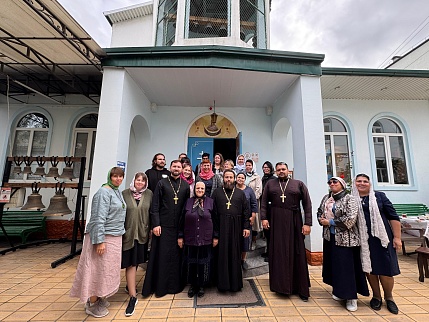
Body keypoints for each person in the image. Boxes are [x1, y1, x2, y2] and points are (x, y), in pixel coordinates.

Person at [70, 167, 126, 318]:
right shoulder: (103, 192)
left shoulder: (116, 191)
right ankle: (92, 303)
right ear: (110, 176)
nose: (118, 179)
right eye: (115, 176)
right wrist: (99, 241)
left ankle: (100, 297)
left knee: (106, 271)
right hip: (104, 237)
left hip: (114, 236)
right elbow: (98, 218)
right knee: (96, 270)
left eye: (121, 177)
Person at [260, 162, 312, 301]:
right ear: (275, 172)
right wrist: (264, 218)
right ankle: (280, 286)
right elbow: (264, 202)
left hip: (294, 220)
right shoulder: (271, 184)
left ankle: (299, 287)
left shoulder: (298, 184)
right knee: (278, 251)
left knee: (297, 251)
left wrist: (307, 223)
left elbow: (307, 203)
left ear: (288, 170)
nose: (281, 171)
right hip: (276, 220)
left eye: (283, 169)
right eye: (278, 170)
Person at [318, 176, 370, 312]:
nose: (332, 184)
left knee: (347, 268)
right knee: (335, 266)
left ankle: (351, 297)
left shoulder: (350, 199)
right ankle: (340, 292)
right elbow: (319, 211)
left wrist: (329, 222)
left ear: (342, 184)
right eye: (330, 182)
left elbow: (350, 219)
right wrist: (321, 219)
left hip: (346, 239)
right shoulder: (326, 198)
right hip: (330, 238)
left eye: (335, 182)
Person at [352, 173, 401, 314]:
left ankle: (389, 298)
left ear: (370, 183)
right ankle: (376, 296)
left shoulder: (379, 196)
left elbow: (393, 216)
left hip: (382, 238)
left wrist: (397, 238)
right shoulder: (352, 199)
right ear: (354, 183)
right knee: (369, 268)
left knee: (385, 269)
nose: (361, 183)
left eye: (365, 181)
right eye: (358, 181)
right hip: (363, 239)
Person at [142, 160, 190, 297]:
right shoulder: (161, 183)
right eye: (174, 166)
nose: (176, 168)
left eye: (179, 167)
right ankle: (160, 287)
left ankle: (175, 286)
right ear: (170, 168)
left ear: (182, 169)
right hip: (163, 227)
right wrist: (155, 224)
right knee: (161, 257)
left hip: (178, 227)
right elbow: (155, 206)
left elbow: (186, 208)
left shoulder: (185, 186)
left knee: (176, 257)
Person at [212, 170, 250, 292]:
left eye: (231, 177)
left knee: (234, 254)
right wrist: (215, 232)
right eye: (226, 177)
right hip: (221, 226)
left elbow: (246, 211)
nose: (228, 179)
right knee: (222, 255)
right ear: (223, 178)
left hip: (236, 227)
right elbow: (213, 212)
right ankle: (222, 284)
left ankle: (235, 284)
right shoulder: (217, 192)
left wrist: (246, 227)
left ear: (234, 179)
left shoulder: (240, 193)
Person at [178, 182, 218, 298]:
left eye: (202, 188)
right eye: (198, 188)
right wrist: (180, 236)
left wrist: (216, 236)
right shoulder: (188, 202)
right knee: (191, 263)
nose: (200, 190)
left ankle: (201, 285)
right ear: (194, 189)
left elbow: (215, 220)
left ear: (205, 190)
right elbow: (181, 219)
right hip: (190, 237)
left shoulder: (210, 202)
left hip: (205, 238)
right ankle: (193, 285)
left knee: (204, 263)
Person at [121, 172, 152, 316]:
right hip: (128, 234)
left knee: (137, 262)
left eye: (143, 181)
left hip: (142, 234)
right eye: (138, 180)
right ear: (134, 181)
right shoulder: (125, 194)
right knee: (131, 263)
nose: (140, 182)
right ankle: (133, 296)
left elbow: (152, 212)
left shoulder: (149, 194)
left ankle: (130, 285)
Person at [236, 172, 258, 269]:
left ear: (245, 180)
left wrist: (253, 217)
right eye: (238, 177)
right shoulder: (232, 188)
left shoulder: (249, 190)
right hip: (234, 219)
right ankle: (235, 259)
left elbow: (254, 204)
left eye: (242, 178)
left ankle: (243, 260)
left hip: (246, 219)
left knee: (245, 240)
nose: (240, 179)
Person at [244, 159, 262, 250]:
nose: (248, 167)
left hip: (253, 203)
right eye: (246, 165)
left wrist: (251, 199)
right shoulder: (242, 176)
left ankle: (253, 241)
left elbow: (258, 190)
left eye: (249, 165)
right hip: (243, 203)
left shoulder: (257, 177)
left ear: (253, 166)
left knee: (253, 223)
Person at [261, 161, 276, 261]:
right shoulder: (263, 179)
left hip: (272, 207)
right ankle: (268, 251)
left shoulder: (274, 179)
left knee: (271, 231)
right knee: (266, 231)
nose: (266, 169)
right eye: (264, 167)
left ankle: (272, 254)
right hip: (264, 206)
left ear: (271, 168)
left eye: (267, 167)